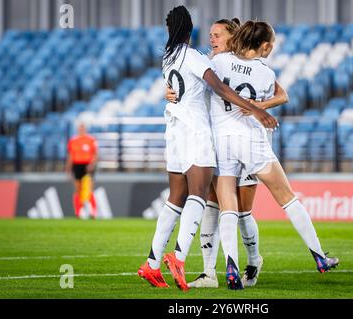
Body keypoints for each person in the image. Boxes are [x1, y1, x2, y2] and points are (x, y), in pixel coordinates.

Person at [137, 5, 277, 292]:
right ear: (190, 29)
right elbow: (221, 89)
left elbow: (182, 86)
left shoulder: (169, 56)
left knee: (178, 198)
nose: (212, 38)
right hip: (200, 133)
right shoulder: (197, 57)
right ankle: (180, 259)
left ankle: (152, 264)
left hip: (178, 130)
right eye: (209, 34)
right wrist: (257, 110)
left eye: (217, 34)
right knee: (201, 197)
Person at [209, 20, 339, 290]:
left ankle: (231, 266)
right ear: (265, 46)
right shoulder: (266, 73)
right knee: (287, 198)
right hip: (251, 140)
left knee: (228, 206)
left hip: (222, 141)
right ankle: (318, 256)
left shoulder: (219, 62)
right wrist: (259, 107)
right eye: (272, 45)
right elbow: (279, 96)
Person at [66, 122, 98, 219]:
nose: (82, 129)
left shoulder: (91, 140)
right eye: (80, 128)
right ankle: (78, 212)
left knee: (89, 189)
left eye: (83, 128)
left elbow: (95, 154)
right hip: (77, 165)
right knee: (78, 189)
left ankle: (93, 212)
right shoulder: (73, 141)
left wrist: (92, 164)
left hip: (87, 165)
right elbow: (71, 156)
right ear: (78, 129)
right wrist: (68, 167)